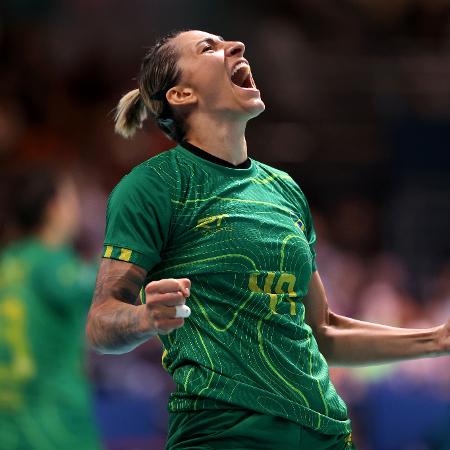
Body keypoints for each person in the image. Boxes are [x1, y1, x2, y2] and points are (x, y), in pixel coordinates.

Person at [86, 30, 450, 450]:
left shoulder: (284, 189)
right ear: (182, 94)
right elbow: (100, 323)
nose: (236, 47)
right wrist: (143, 318)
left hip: (325, 434)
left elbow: (322, 330)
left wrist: (437, 339)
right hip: (226, 435)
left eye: (228, 43)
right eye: (209, 48)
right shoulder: (154, 186)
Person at [0, 165, 101, 450]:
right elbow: (107, 283)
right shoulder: (52, 265)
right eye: (71, 197)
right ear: (54, 207)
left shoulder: (8, 259)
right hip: (52, 423)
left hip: (7, 423)